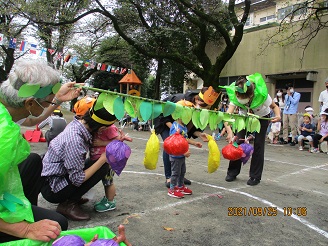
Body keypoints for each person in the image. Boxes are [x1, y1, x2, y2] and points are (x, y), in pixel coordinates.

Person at [0, 60, 82, 243]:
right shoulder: (2, 135)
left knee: (32, 161)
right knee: (57, 224)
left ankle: (26, 211)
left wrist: (57, 98)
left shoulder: (8, 108)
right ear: (29, 102)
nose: (49, 105)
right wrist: (26, 229)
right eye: (47, 101)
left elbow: (29, 121)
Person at [41, 104, 118, 221]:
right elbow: (77, 178)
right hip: (53, 188)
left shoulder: (78, 124)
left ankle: (72, 197)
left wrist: (118, 139)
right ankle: (68, 204)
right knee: (102, 166)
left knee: (94, 164)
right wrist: (103, 159)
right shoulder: (75, 140)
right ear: (101, 129)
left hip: (57, 176)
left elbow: (94, 142)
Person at [154, 87, 220, 188]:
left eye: (208, 108)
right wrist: (175, 132)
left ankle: (179, 176)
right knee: (171, 145)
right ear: (197, 100)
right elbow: (164, 116)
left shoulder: (200, 109)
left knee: (182, 146)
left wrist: (199, 134)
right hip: (165, 122)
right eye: (204, 107)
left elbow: (192, 127)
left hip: (180, 126)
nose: (205, 110)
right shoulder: (180, 101)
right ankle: (169, 177)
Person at [221, 73, 280, 186]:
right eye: (239, 97)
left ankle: (255, 176)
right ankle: (232, 172)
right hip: (244, 117)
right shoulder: (235, 95)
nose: (241, 100)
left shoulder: (262, 95)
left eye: (244, 98)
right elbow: (227, 116)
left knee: (258, 145)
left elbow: (275, 107)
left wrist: (278, 115)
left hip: (261, 117)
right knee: (238, 141)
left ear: (251, 95)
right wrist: (229, 132)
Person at [90, 117, 132, 213]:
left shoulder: (110, 127)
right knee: (105, 181)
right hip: (99, 160)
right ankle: (108, 198)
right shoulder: (98, 125)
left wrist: (102, 143)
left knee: (108, 181)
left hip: (108, 161)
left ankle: (110, 201)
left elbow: (118, 140)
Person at [167, 119, 202, 198]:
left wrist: (194, 143)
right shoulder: (175, 127)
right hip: (175, 156)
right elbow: (173, 142)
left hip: (181, 156)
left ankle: (180, 186)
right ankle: (172, 190)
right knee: (175, 173)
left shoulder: (183, 126)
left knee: (182, 171)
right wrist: (183, 152)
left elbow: (184, 138)